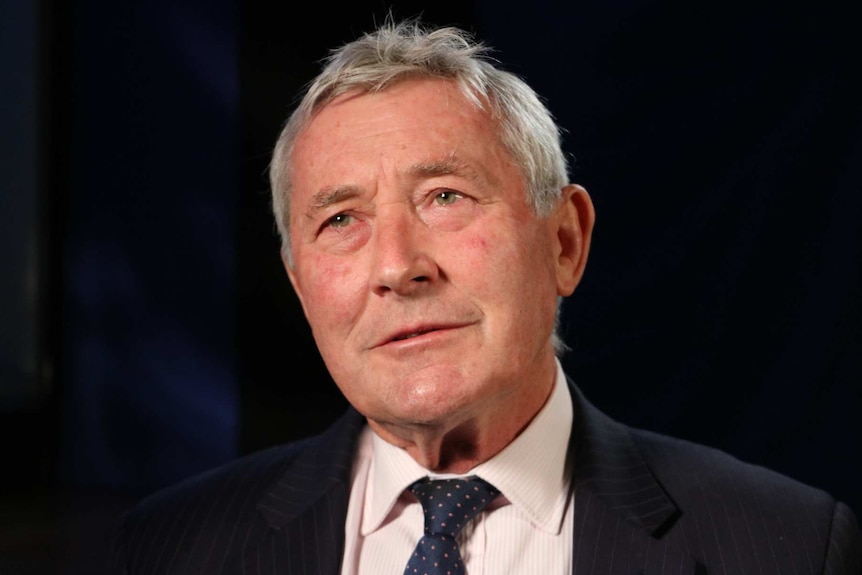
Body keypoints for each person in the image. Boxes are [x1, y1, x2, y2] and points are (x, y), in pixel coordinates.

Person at [113, 18, 862, 574]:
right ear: (300, 285)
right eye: (341, 219)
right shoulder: (174, 547)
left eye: (445, 196)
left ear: (564, 241)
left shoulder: (788, 545)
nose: (398, 266)